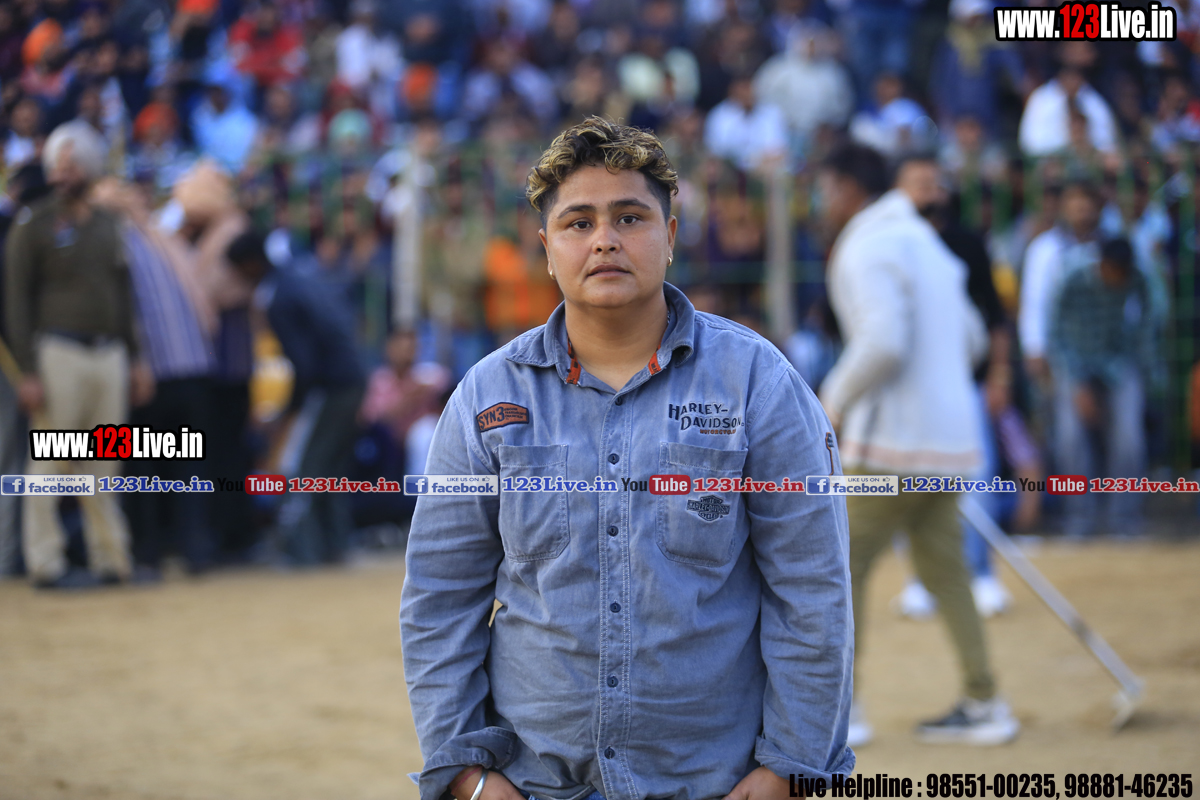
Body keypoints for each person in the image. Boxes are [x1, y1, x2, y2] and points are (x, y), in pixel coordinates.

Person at [400, 117, 854, 800]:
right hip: (534, 784)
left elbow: (812, 589)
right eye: (578, 222)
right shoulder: (486, 398)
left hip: (718, 783)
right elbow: (439, 597)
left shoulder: (757, 383)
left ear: (669, 237)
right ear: (547, 248)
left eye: (630, 218)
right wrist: (466, 775)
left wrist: (790, 767)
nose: (605, 239)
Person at [816, 142, 1018, 747]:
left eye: (826, 189)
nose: (822, 202)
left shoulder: (866, 244)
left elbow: (883, 341)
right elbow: (973, 338)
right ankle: (984, 701)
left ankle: (840, 713)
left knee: (839, 568)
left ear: (849, 188)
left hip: (892, 445)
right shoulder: (926, 243)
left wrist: (830, 400)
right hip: (948, 442)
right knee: (946, 570)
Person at [4, 121, 154, 589]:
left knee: (105, 463)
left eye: (71, 164)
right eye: (58, 164)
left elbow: (124, 295)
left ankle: (112, 559)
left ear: (90, 167)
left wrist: (136, 357)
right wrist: (27, 370)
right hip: (58, 352)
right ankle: (46, 564)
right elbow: (16, 299)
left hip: (108, 354)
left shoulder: (110, 224)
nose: (62, 173)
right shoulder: (34, 223)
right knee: (51, 463)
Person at [893, 154, 1014, 618]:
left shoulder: (967, 242)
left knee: (976, 479)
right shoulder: (891, 247)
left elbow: (995, 316)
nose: (927, 191)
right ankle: (923, 579)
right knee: (913, 482)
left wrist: (999, 374)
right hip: (909, 387)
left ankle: (981, 574)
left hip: (965, 382)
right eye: (916, 183)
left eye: (933, 182)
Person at [226, 230, 366, 567]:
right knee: (330, 469)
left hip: (330, 387)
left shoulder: (278, 298)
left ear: (249, 264)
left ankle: (302, 551)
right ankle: (335, 547)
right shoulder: (300, 277)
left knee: (304, 469)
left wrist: (287, 413)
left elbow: (304, 366)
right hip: (353, 379)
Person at [1049, 238, 1153, 536]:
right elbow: (1055, 331)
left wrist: (1135, 357)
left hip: (1118, 362)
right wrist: (1077, 383)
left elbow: (1149, 321)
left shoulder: (1138, 278)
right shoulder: (1073, 278)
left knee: (1129, 438)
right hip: (1074, 362)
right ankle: (1079, 519)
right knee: (1070, 438)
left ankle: (1124, 519)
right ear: (1102, 265)